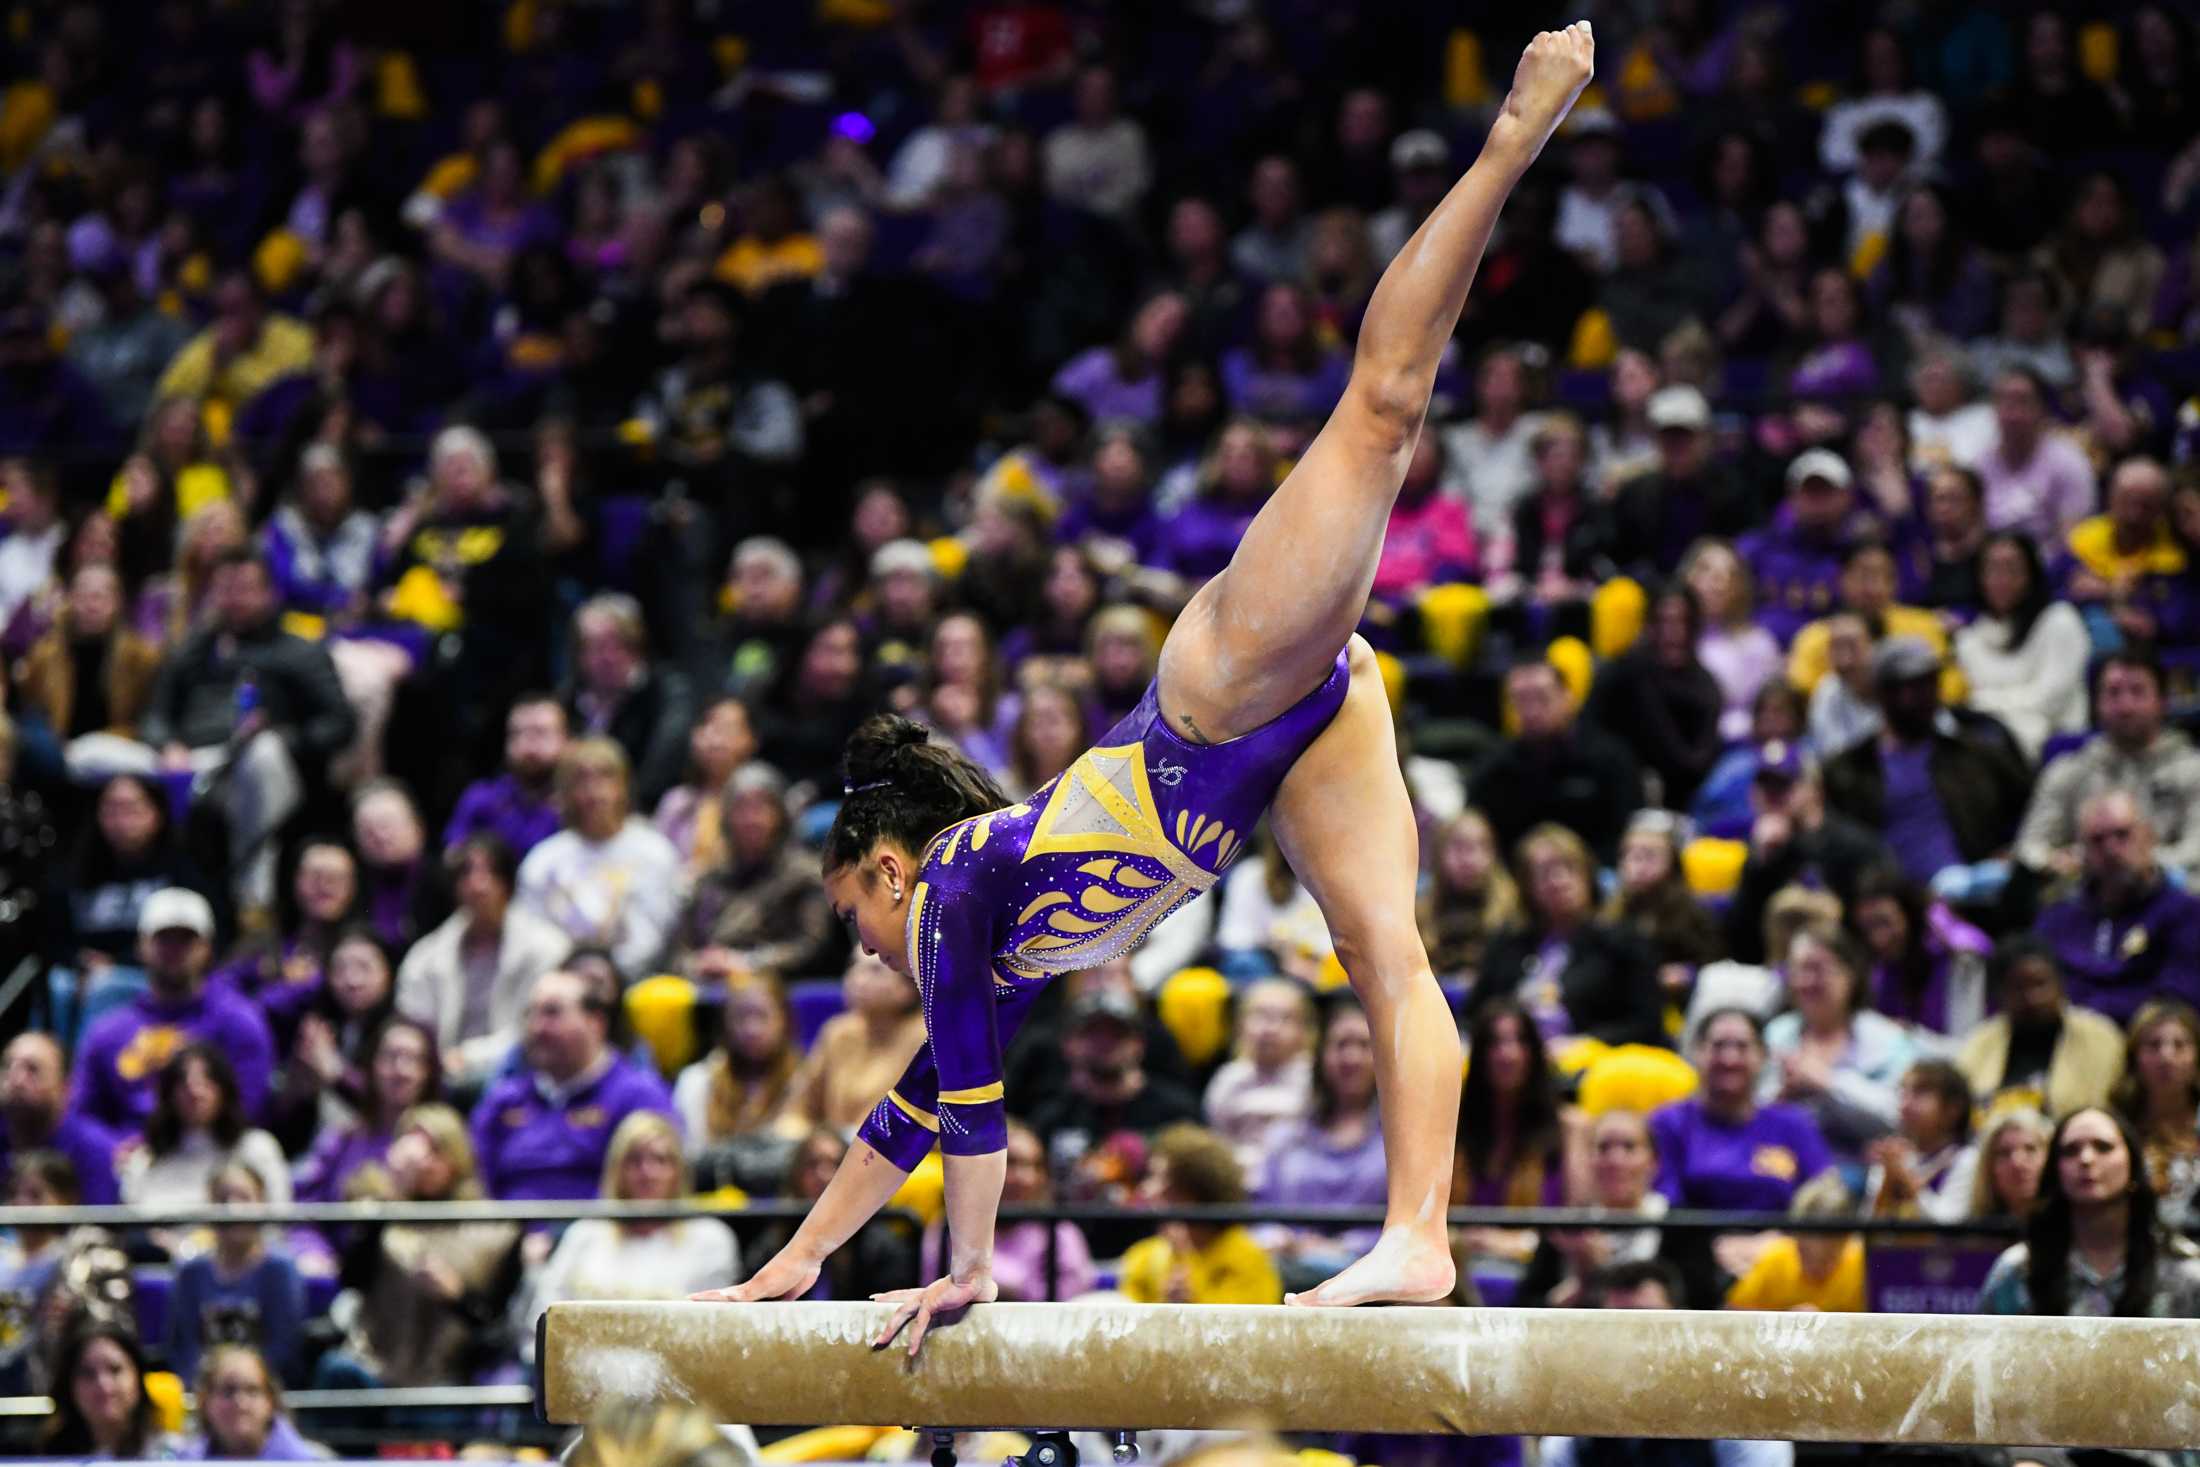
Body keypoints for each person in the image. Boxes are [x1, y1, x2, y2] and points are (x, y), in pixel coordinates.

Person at [697, 26, 1602, 1333]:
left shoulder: (952, 888)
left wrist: (967, 1266)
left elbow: (963, 1106)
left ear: (888, 868)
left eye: (853, 916)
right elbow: (913, 1106)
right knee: (1384, 953)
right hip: (1296, 734)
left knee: (1383, 408)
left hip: (1224, 692)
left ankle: (1518, 130)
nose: (865, 950)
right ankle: (1419, 1234)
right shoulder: (995, 949)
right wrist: (802, 1254)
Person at [129, 549, 357, 909]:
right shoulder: (194, 648)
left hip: (260, 762)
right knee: (89, 756)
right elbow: (155, 713)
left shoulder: (298, 651)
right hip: (192, 757)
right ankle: (149, 894)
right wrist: (168, 743)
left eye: (245, 589)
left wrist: (284, 737)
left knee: (262, 755)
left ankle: (254, 900)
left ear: (269, 593)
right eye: (226, 589)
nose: (234, 599)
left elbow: (340, 724)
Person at [318, 1104, 521, 1393]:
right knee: (336, 1372)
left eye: (433, 1151)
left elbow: (497, 1330)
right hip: (373, 1366)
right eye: (412, 1150)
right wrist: (391, 1195)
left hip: (446, 1378)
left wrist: (458, 1297)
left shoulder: (493, 1230)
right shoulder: (379, 1214)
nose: (421, 1163)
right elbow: (351, 1280)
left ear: (456, 1159)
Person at [521, 1113, 739, 1363]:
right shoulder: (585, 1235)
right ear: (617, 1169)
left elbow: (713, 1333)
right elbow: (543, 1320)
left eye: (660, 1160)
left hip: (678, 1377)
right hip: (587, 1373)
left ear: (679, 1170)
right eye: (634, 1160)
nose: (647, 1173)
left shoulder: (710, 1239)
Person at [1820, 636, 2030, 891]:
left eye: (1926, 684)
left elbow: (2027, 807)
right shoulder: (1849, 771)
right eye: (1905, 688)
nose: (1917, 698)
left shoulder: (1975, 754)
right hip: (1893, 902)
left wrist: (2010, 853)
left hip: (1976, 893)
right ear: (1882, 694)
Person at [73, 889, 276, 1133]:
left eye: (186, 939)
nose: (174, 949)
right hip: (126, 1160)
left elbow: (249, 1109)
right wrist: (114, 1150)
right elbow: (82, 1117)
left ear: (207, 948)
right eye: (164, 938)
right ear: (141, 946)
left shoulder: (239, 1022)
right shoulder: (107, 1033)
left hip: (213, 1152)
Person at [470, 969, 677, 1201]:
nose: (537, 1027)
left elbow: (655, 1185)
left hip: (600, 1231)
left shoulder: (639, 1097)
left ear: (595, 1022)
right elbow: (474, 1182)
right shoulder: (504, 1100)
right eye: (531, 1013)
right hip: (508, 1231)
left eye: (552, 1013)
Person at [1979, 1106, 2200, 1321]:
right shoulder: (2017, 1271)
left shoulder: (2186, 1271)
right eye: (2070, 1150)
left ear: (2133, 1164)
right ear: (2055, 1171)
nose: (2086, 1159)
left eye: (2103, 1147)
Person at [396, 835, 571, 1084]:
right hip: (442, 1075)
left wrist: (468, 1058)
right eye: (466, 874)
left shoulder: (547, 947)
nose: (477, 885)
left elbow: (539, 1028)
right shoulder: (426, 957)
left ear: (508, 883)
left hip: (524, 1072)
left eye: (489, 874)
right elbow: (413, 1024)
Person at [1472, 825, 1665, 1050]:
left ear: (1587, 873)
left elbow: (1647, 1024)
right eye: (1544, 872)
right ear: (1526, 886)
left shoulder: (1624, 941)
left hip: (1590, 1063)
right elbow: (1476, 1014)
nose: (1558, 880)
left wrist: (1585, 1044)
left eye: (1568, 868)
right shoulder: (1507, 943)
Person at [2017, 653, 2200, 884]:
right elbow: (2029, 846)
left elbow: (2195, 851)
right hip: (2083, 898)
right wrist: (2051, 860)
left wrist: (2132, 861)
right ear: (2097, 704)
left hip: (2171, 898)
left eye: (2137, 692)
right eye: (2113, 693)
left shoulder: (2194, 770)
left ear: (2162, 702)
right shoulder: (2068, 770)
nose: (2125, 706)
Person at [1251, 993, 1387, 1297]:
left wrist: (1338, 1248)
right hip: (1284, 1271)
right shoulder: (1285, 1137)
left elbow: (1407, 1225)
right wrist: (1280, 1239)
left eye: (1364, 1046)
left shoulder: (1399, 1141)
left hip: (1370, 1281)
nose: (1351, 1058)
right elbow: (1258, 1213)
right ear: (1321, 1055)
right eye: (1340, 1045)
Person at [515, 739, 685, 979]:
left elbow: (652, 937)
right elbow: (532, 933)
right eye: (581, 779)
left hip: (634, 981)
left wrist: (604, 974)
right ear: (566, 792)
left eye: (605, 776)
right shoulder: (543, 860)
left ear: (623, 785)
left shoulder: (655, 852)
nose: (594, 789)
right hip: (561, 980)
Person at [2036, 791, 2200, 1023]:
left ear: (2149, 837)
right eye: (2097, 840)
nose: (2111, 850)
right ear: (2082, 851)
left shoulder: (2187, 914)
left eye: (2122, 835)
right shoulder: (2056, 920)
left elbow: (2180, 1001)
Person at [1758, 926, 1914, 1170]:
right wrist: (1781, 1096)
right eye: (1799, 970)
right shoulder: (1777, 1034)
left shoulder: (1887, 1039)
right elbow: (1748, 1113)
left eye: (1818, 969)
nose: (1806, 981)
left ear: (1849, 975)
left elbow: (1901, 1116)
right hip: (1781, 1168)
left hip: (1864, 1173)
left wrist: (1827, 1081)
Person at [1652, 1009, 1835, 1212]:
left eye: (1742, 1046)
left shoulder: (1793, 1124)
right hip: (1691, 1241)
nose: (1730, 1058)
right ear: (1697, 1053)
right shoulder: (1669, 1123)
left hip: (1781, 1240)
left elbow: (1826, 1197)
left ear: (1763, 1056)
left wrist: (1770, 1240)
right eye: (1718, 1046)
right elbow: (1664, 1206)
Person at [1470, 660, 1643, 867]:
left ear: (1567, 696)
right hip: (1516, 883)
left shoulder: (1611, 759)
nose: (1531, 711)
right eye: (1520, 700)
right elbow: (1477, 833)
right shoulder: (1494, 769)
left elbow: (1630, 834)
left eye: (1542, 698)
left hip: (1599, 877)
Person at [675, 763, 838, 981]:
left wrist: (748, 962)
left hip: (780, 991)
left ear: (781, 815)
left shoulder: (806, 876)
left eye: (761, 806)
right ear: (726, 818)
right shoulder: (708, 880)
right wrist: (697, 965)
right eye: (741, 808)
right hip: (708, 991)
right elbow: (678, 951)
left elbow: (812, 947)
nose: (751, 818)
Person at [1953, 532, 2092, 763]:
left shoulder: (2060, 620)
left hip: (2058, 751)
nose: (2002, 578)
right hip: (1990, 748)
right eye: (1992, 569)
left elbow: (2049, 700)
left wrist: (1982, 702)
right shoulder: (1969, 640)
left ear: (2031, 573)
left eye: (2012, 568)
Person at [1582, 587, 1724, 809]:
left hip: (1683, 800)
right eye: (1664, 622)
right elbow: (1589, 735)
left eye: (1683, 622)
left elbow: (1697, 763)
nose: (1674, 632)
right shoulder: (1619, 675)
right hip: (1615, 796)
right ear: (1649, 626)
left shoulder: (1705, 688)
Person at [167, 1163, 307, 1385]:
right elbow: (183, 1348)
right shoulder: (191, 1272)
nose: (232, 1208)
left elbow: (283, 1350)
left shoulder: (280, 1270)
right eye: (222, 1199)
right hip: (203, 1397)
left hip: (263, 1395)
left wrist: (242, 1388)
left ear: (262, 1204)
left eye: (244, 1198)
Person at [1956, 938, 2124, 1119]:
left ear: (2061, 985)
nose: (2032, 997)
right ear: (2000, 994)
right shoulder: (1979, 1045)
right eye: (2019, 987)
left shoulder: (2100, 1037)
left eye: (2040, 984)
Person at [1119, 1123, 1283, 1305]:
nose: (1147, 1190)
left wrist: (1190, 1301)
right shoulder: (1142, 1257)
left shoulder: (1246, 1257)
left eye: (1160, 1178)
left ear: (1193, 1190)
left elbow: (1248, 1325)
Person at [124, 1043, 292, 1218]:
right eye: (183, 1083)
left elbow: (279, 1222)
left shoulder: (257, 1149)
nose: (195, 1092)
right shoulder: (145, 1160)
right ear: (169, 1095)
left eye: (207, 1081)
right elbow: (132, 1230)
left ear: (225, 1089)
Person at [748, 1128, 920, 1300]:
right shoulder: (775, 1241)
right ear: (796, 1174)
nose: (822, 1174)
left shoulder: (881, 1246)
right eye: (812, 1164)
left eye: (835, 1164)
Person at [932, 1120, 1094, 1301]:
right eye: (1012, 1162)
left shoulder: (1061, 1233)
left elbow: (1070, 1302)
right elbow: (933, 1289)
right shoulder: (951, 1228)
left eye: (1035, 1165)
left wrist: (1003, 1281)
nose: (1025, 1177)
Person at [561, 593, 696, 810]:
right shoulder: (567, 700)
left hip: (646, 810)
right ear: (579, 654)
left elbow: (662, 765)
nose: (606, 656)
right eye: (594, 646)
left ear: (636, 645)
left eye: (616, 643)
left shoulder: (665, 693)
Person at [783, 952, 925, 1134]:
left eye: (875, 970)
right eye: (853, 965)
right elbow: (799, 1109)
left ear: (907, 988)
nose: (855, 978)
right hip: (835, 1151)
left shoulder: (928, 1039)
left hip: (901, 1156)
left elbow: (924, 1125)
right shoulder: (838, 1032)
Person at [672, 972, 800, 1169]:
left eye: (762, 1016)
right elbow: (690, 1156)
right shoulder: (697, 1081)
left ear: (784, 1020)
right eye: (741, 1017)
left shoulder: (804, 1081)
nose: (752, 1029)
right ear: (726, 1022)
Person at [1848, 868, 1989, 1039]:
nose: (1877, 939)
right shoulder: (1883, 967)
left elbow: (1967, 1044)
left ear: (1910, 915)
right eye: (1867, 928)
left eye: (1884, 922)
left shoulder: (1963, 954)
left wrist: (1909, 1036)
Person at [1202, 978, 1315, 1170]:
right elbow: (1218, 1137)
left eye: (1284, 1018)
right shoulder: (1228, 1078)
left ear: (1303, 1031)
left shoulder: (1314, 1078)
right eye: (1261, 1016)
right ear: (1241, 1025)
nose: (1270, 1028)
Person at [0, 1032, 121, 1205]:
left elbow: (99, 1229)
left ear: (65, 1087)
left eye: (32, 1069)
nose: (16, 1080)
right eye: (8, 1066)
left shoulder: (95, 1151)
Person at [443, 695, 569, 861]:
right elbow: (453, 861)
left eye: (540, 733)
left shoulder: (579, 801)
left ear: (567, 740)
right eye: (517, 733)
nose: (528, 744)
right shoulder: (481, 798)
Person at [2112, 1002, 2200, 1232]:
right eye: (2153, 1045)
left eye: (2179, 1045)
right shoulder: (2115, 1128)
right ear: (2134, 1058)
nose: (2166, 1057)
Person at [1724, 1174, 1867, 1312]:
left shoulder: (1862, 1264)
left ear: (1847, 1240)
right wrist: (1785, 1320)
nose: (1814, 1268)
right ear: (1794, 1237)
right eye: (1804, 1255)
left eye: (1828, 1259)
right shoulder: (1777, 1258)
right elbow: (1731, 1311)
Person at [43, 1321, 183, 1460]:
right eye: (88, 1373)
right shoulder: (50, 1458)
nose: (103, 1385)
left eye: (115, 1370)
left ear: (139, 1378)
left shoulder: (174, 1456)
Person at [1862, 1059, 1978, 1221]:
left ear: (1953, 1108)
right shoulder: (1892, 1157)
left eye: (1920, 1093)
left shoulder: (1968, 1160)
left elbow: (1949, 1229)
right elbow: (1869, 1230)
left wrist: (1904, 1178)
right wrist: (1889, 1178)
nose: (1905, 1104)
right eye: (1903, 1092)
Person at [1417, 808, 1523, 982]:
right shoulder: (1419, 912)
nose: (1469, 859)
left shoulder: (1515, 911)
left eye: (1480, 846)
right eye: (1459, 847)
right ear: (1438, 853)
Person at [180, 1344, 325, 1461]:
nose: (240, 1403)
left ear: (271, 1401)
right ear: (205, 1400)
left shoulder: (316, 1462)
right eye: (228, 1391)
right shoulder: (180, 1462)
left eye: (252, 1390)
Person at [1969, 1108, 2052, 1222]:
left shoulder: (2077, 1229)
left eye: (2030, 1149)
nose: (2017, 1163)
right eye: (2004, 1153)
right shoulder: (1973, 1235)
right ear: (1988, 1168)